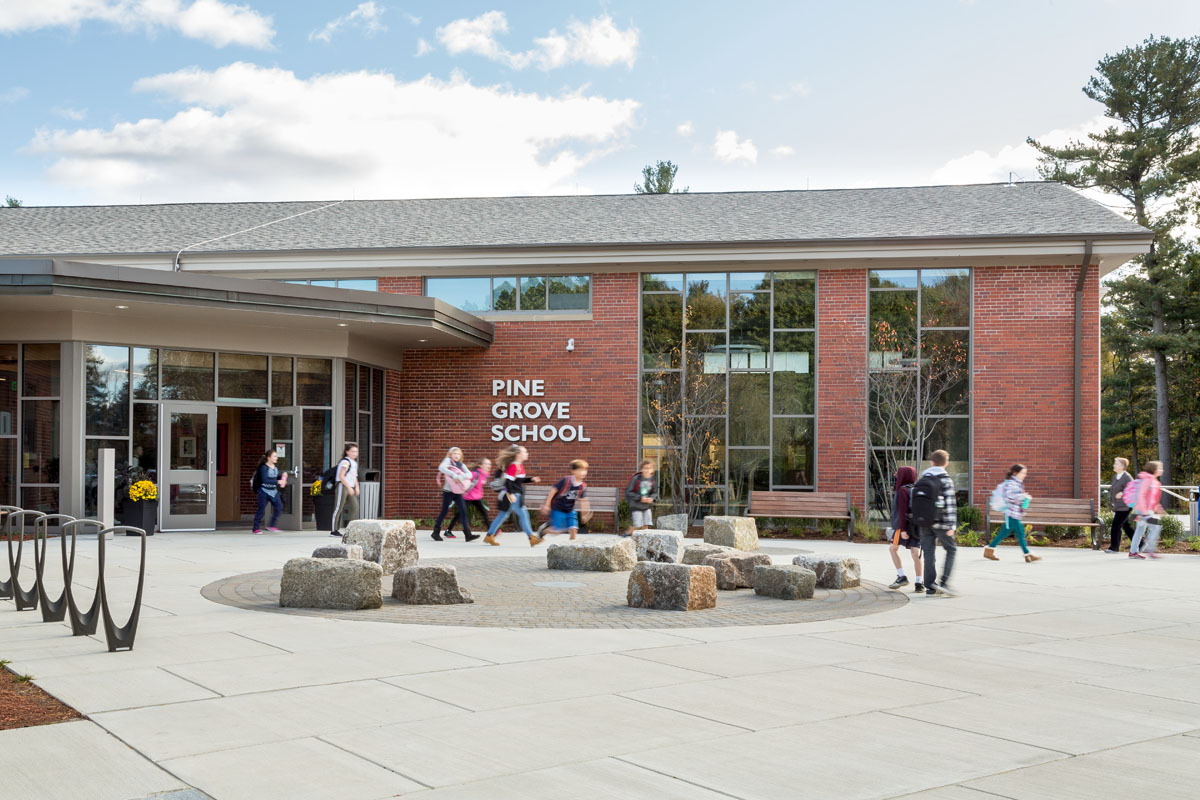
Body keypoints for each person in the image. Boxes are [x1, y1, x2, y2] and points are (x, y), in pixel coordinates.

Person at [915, 449, 958, 596]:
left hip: (924, 522)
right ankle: (944, 583)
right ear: (946, 463)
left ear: (931, 462)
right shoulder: (946, 480)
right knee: (951, 550)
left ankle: (930, 588)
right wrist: (952, 525)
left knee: (928, 553)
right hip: (942, 523)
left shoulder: (922, 479)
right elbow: (950, 504)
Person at [484, 445, 540, 546]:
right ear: (518, 454)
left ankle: (489, 536)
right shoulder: (513, 466)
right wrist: (511, 494)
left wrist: (531, 479)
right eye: (525, 452)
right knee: (523, 515)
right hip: (512, 496)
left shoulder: (519, 466)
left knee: (502, 516)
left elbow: (519, 480)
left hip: (512, 495)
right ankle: (532, 537)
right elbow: (508, 482)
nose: (527, 454)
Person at [984, 464, 1040, 563]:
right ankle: (1027, 554)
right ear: (1015, 473)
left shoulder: (1018, 483)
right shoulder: (1012, 483)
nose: (1025, 475)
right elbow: (1009, 497)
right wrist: (1022, 496)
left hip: (1014, 513)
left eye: (1025, 473)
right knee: (1020, 532)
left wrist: (1023, 497)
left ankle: (989, 550)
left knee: (1004, 533)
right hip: (1011, 513)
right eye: (1023, 473)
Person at [886, 465, 924, 592]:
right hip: (916, 527)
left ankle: (901, 576)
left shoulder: (902, 490)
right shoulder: (917, 488)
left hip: (902, 527)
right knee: (915, 554)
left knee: (893, 549)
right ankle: (919, 583)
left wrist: (902, 530)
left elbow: (902, 512)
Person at [431, 447, 478, 542]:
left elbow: (469, 474)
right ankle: (435, 532)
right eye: (455, 453)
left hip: (458, 492)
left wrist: (460, 477)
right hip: (448, 492)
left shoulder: (461, 465)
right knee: (444, 511)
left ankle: (468, 534)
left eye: (459, 454)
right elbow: (441, 468)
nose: (457, 456)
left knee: (463, 512)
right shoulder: (448, 461)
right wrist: (453, 475)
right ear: (450, 454)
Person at [539, 460, 589, 540]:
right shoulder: (566, 480)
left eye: (584, 470)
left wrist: (584, 514)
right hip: (558, 509)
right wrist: (547, 505)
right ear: (573, 471)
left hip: (570, 510)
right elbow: (552, 491)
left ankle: (572, 548)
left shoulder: (583, 486)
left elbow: (583, 501)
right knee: (557, 531)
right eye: (579, 470)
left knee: (573, 529)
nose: (582, 472)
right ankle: (544, 531)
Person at [444, 458, 492, 539]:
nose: (488, 465)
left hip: (476, 498)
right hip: (467, 497)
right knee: (459, 514)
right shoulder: (474, 474)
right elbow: (464, 480)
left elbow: (479, 485)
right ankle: (448, 531)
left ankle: (491, 531)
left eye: (489, 464)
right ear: (480, 465)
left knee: (484, 513)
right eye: (486, 464)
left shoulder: (486, 474)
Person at [1129, 460, 1165, 559]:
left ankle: (1133, 552)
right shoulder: (1147, 480)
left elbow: (1152, 499)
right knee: (1155, 527)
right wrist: (1144, 511)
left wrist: (1158, 508)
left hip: (1145, 510)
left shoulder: (1154, 481)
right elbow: (1141, 494)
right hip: (1143, 510)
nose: (1162, 470)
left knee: (1140, 530)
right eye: (1160, 468)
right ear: (1154, 470)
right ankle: (1150, 550)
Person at [251, 449, 287, 535]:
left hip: (273, 491)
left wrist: (282, 477)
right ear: (268, 457)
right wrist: (278, 482)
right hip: (263, 491)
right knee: (261, 509)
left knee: (279, 507)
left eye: (276, 456)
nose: (276, 458)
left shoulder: (275, 467)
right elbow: (265, 480)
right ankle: (255, 528)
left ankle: (271, 525)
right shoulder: (264, 468)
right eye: (274, 456)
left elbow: (274, 477)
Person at [1106, 457, 1136, 553]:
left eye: (1116, 463)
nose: (1113, 465)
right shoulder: (1115, 477)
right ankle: (1141, 544)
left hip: (1126, 506)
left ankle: (1114, 548)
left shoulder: (1127, 477)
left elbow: (1133, 489)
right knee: (1126, 526)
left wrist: (1123, 493)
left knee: (1116, 526)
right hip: (1118, 506)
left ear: (1122, 466)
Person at [330, 442, 359, 537]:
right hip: (342, 486)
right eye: (352, 451)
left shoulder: (354, 463)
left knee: (355, 507)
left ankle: (350, 529)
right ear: (347, 452)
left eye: (356, 451)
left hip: (350, 487)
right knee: (338, 507)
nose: (355, 453)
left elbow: (354, 476)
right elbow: (341, 476)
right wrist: (349, 487)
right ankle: (333, 530)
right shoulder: (345, 462)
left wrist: (356, 487)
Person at [624, 459, 659, 536]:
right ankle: (627, 533)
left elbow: (655, 492)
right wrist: (640, 498)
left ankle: (644, 539)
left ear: (652, 470)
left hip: (647, 506)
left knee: (646, 524)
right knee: (638, 525)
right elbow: (628, 492)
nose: (647, 470)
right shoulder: (636, 479)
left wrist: (651, 498)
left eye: (649, 468)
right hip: (636, 506)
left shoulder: (652, 480)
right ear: (642, 469)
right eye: (645, 468)